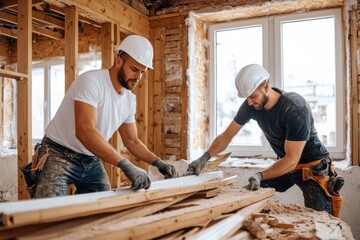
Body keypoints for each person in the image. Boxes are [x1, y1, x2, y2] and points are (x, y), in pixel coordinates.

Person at [186, 64, 344, 217]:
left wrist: (260, 175)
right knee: (252, 190)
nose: (249, 102)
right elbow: (227, 135)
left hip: (313, 167)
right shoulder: (251, 105)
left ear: (266, 87)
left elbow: (292, 159)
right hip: (285, 163)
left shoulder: (295, 108)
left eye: (253, 96)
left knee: (322, 220)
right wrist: (204, 158)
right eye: (247, 97)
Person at [30, 35, 178, 198]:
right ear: (119, 61)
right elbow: (84, 131)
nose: (138, 77)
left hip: (90, 159)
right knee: (50, 213)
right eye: (134, 69)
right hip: (58, 153)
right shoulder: (92, 81)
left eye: (142, 72)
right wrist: (125, 165)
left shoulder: (129, 99)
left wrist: (158, 162)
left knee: (103, 208)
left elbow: (132, 140)